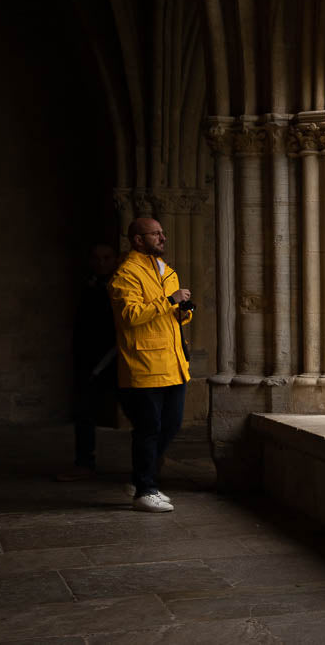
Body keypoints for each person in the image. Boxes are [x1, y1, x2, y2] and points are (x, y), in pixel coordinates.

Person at [110, 218, 192, 513]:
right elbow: (130, 315)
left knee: (171, 425)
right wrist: (169, 300)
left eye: (162, 233)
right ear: (137, 240)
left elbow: (170, 317)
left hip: (173, 363)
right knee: (148, 429)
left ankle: (139, 479)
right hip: (144, 364)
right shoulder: (126, 273)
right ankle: (145, 490)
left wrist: (183, 312)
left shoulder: (167, 271)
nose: (163, 238)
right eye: (155, 234)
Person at [56, 243, 118, 481]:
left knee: (140, 414)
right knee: (84, 411)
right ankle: (84, 463)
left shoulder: (120, 285)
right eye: (96, 258)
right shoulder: (88, 284)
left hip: (115, 358)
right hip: (88, 359)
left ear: (115, 259)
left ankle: (149, 465)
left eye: (106, 257)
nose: (101, 262)